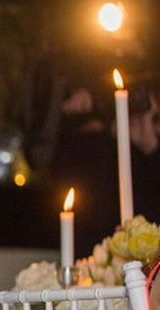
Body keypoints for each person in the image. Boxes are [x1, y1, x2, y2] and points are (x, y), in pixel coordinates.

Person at [23, 46, 160, 258]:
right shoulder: (81, 142)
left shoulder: (145, 149)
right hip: (89, 239)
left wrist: (149, 146)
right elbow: (39, 157)